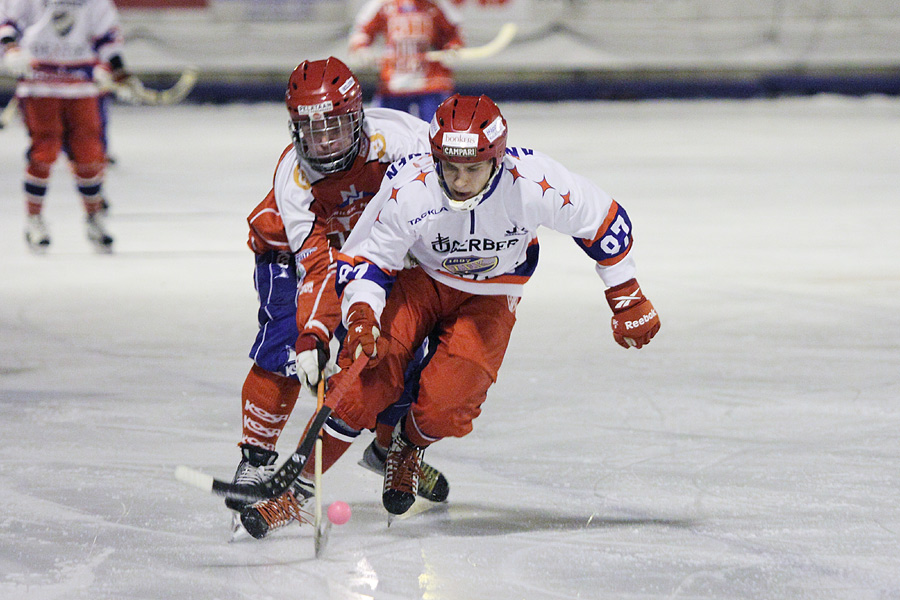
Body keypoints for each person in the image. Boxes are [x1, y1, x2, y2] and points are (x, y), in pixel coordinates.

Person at [307, 94, 661, 516]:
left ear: (498, 158)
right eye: (451, 167)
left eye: (473, 168)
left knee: (449, 407)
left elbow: (602, 218)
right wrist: (362, 313)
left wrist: (626, 294)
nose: (460, 181)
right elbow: (369, 259)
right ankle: (293, 490)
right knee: (365, 378)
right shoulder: (410, 185)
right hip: (422, 279)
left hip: (492, 293)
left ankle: (406, 445)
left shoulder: (532, 180)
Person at [229, 57, 449, 539]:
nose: (324, 142)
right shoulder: (296, 179)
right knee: (285, 347)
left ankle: (390, 450)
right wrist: (314, 334)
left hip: (378, 255)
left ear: (358, 118)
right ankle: (255, 460)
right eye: (311, 131)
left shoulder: (408, 142)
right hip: (293, 257)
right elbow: (317, 264)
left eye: (334, 128)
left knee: (395, 351)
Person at [0, 0, 134, 252]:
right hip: (39, 82)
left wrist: (115, 68)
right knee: (45, 151)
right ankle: (34, 220)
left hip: (80, 84)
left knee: (89, 154)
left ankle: (94, 217)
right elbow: (8, 20)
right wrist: (11, 49)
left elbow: (105, 33)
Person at [348, 0, 463, 122]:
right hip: (394, 84)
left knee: (437, 132)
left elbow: (455, 32)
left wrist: (452, 48)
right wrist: (362, 50)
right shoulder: (382, 3)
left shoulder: (437, 3)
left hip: (431, 83)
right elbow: (361, 30)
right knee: (389, 132)